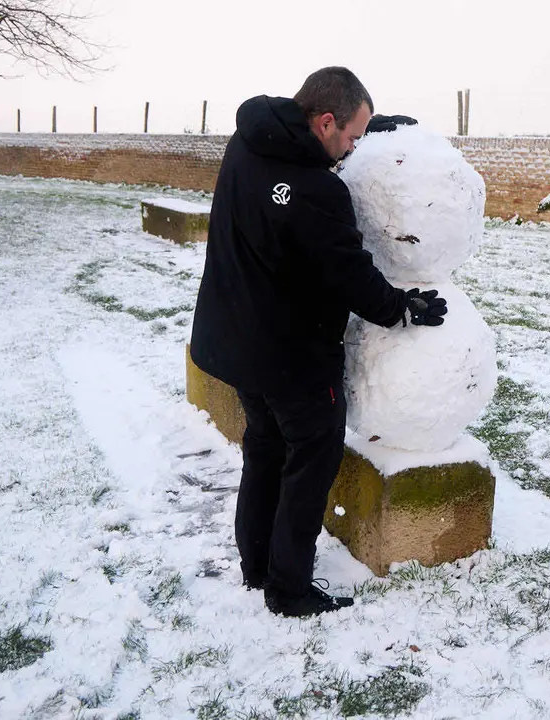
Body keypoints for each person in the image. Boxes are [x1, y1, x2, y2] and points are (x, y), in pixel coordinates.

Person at [190, 67, 447, 618]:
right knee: (310, 462)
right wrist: (401, 307)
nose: (353, 147)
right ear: (326, 121)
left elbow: (296, 180)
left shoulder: (249, 140)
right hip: (292, 358)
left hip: (236, 340)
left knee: (264, 448)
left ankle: (257, 564)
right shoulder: (318, 191)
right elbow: (350, 275)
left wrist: (373, 133)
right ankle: (288, 588)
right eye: (352, 136)